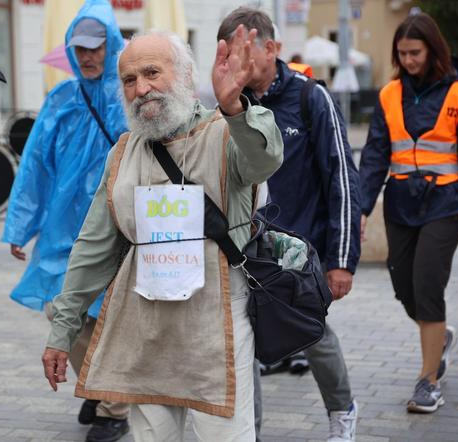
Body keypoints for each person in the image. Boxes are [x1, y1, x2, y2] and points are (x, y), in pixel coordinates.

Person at [42, 27, 283, 441]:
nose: (141, 89)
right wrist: (62, 331)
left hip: (216, 320)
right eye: (130, 80)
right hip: (145, 324)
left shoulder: (226, 132)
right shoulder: (122, 153)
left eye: (152, 72)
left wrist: (235, 108)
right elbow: (94, 248)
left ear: (186, 76)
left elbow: (265, 160)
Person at [217, 8, 361, 442]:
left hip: (301, 253)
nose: (237, 65)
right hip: (245, 250)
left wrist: (341, 260)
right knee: (244, 345)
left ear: (272, 48)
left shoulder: (309, 98)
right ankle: (250, 432)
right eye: (228, 56)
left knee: (313, 336)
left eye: (246, 53)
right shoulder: (226, 105)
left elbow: (342, 179)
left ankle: (342, 411)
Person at [1, 1, 130, 440]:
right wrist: (21, 226)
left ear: (111, 45)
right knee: (63, 310)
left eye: (95, 48)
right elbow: (35, 164)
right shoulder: (60, 99)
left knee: (109, 316)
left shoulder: (128, 96)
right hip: (62, 230)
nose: (87, 57)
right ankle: (98, 386)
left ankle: (113, 408)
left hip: (116, 229)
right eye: (80, 49)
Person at [359, 12, 458, 413]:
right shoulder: (389, 95)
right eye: (402, 53)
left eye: (415, 52)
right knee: (404, 289)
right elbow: (375, 155)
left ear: (432, 49)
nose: (409, 60)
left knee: (427, 285)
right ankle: (439, 336)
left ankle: (428, 381)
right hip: (400, 204)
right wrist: (361, 209)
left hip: (445, 204)